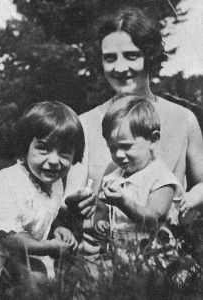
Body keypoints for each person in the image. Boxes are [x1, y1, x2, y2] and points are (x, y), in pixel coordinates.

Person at [63, 6, 203, 258]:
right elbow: (69, 196)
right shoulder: (85, 122)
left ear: (150, 57)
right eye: (110, 58)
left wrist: (191, 199)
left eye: (131, 55)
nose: (119, 67)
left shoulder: (184, 119)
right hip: (102, 258)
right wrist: (75, 204)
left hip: (165, 258)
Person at [0, 101, 85, 296]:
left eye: (64, 152)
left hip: (22, 258)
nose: (53, 161)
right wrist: (49, 247)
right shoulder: (5, 182)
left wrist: (59, 228)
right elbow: (9, 237)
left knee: (53, 279)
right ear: (25, 146)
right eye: (43, 148)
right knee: (35, 280)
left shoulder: (55, 184)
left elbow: (47, 213)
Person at [94, 97, 183, 255]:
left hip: (154, 256)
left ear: (153, 140)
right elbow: (103, 209)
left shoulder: (161, 178)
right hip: (122, 254)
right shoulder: (114, 176)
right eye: (112, 148)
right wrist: (101, 223)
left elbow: (154, 218)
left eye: (126, 146)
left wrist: (124, 203)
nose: (119, 155)